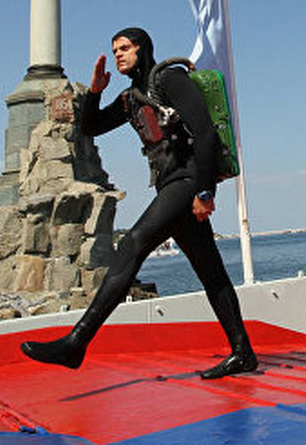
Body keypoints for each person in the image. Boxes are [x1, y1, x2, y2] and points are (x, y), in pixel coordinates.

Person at [22, 27, 256, 379]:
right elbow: (92, 127)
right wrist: (95, 93)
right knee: (211, 272)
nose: (118, 54)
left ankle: (77, 342)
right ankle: (243, 352)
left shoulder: (169, 79)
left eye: (125, 48)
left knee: (132, 244)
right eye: (114, 49)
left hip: (188, 180)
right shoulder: (131, 97)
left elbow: (205, 132)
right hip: (169, 186)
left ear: (142, 49)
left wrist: (205, 191)